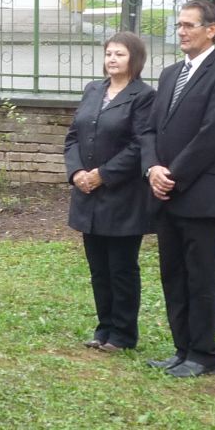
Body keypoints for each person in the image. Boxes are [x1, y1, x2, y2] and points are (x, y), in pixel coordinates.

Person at [140, 0, 215, 378]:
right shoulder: (170, 74)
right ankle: (181, 348)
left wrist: (173, 176)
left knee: (201, 277)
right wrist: (152, 168)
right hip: (163, 194)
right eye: (179, 25)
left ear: (211, 30)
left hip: (198, 195)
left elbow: (213, 135)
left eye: (189, 25)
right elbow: (150, 129)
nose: (181, 31)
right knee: (173, 275)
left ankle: (202, 354)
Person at [64, 31, 155, 353]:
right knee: (99, 268)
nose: (112, 59)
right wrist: (77, 172)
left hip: (122, 196)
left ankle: (123, 334)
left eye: (120, 54)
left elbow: (140, 145)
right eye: (109, 54)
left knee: (121, 267)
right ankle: (104, 328)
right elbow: (73, 136)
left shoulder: (144, 96)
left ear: (135, 59)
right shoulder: (93, 90)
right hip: (87, 194)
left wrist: (102, 175)